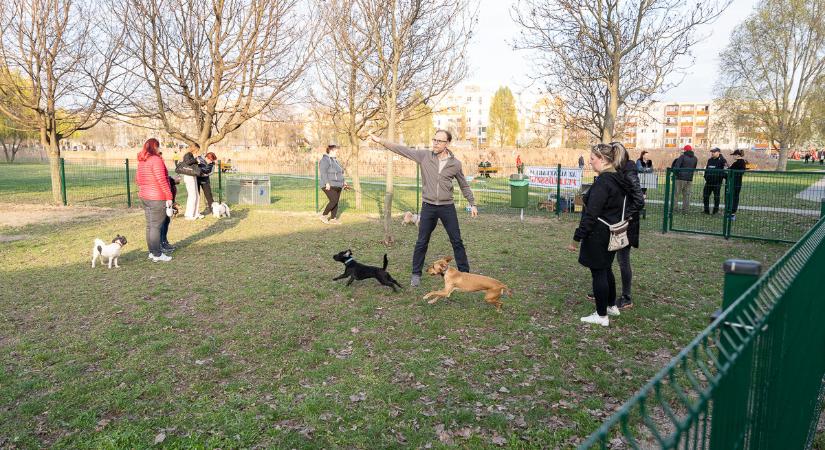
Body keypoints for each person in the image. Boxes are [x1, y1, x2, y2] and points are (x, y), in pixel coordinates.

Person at [370, 129, 477, 287]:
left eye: (439, 141)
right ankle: (416, 274)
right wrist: (381, 141)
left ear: (447, 144)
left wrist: (472, 202)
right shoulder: (424, 156)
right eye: (434, 139)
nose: (435, 143)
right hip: (429, 206)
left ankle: (465, 274)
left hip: (447, 207)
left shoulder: (455, 164)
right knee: (422, 241)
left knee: (457, 241)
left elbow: (463, 184)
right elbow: (403, 150)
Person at [567, 143, 631, 326]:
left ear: (603, 160)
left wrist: (577, 238)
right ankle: (611, 305)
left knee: (598, 272)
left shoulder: (604, 182)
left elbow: (591, 213)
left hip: (599, 233)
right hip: (612, 230)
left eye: (593, 159)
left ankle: (601, 315)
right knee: (606, 268)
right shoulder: (618, 178)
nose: (590, 162)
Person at [616, 143, 645, 310]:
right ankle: (603, 288)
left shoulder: (628, 171)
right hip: (618, 221)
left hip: (627, 223)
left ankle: (626, 297)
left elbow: (639, 200)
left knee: (623, 259)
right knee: (609, 255)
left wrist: (625, 215)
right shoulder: (621, 171)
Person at [136, 138, 173, 262]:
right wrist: (169, 197)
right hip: (156, 197)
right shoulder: (156, 160)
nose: (159, 149)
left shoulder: (142, 161)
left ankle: (152, 252)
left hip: (145, 196)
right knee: (155, 227)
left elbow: (138, 179)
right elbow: (162, 180)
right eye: (158, 146)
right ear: (155, 147)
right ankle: (157, 254)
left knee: (150, 226)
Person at [319, 143, 347, 224]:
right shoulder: (325, 160)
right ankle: (323, 216)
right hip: (328, 185)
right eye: (336, 151)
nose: (337, 153)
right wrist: (327, 183)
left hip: (338, 185)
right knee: (333, 200)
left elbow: (340, 173)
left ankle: (333, 219)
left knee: (336, 202)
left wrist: (344, 182)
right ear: (331, 150)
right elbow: (323, 172)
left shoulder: (335, 161)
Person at [671, 144, 698, 213]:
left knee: (676, 194)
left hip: (680, 178)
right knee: (686, 195)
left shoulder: (682, 157)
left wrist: (675, 175)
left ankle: (674, 208)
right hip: (689, 179)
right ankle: (685, 210)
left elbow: (677, 167)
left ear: (685, 150)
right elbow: (694, 168)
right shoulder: (695, 158)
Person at [181, 143, 204, 220]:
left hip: (193, 176)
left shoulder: (191, 155)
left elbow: (192, 163)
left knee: (197, 195)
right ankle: (189, 215)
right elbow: (188, 162)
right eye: (197, 149)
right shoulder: (188, 154)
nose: (198, 151)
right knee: (192, 195)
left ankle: (196, 212)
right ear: (194, 148)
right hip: (188, 176)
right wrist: (196, 160)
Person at [702, 147, 727, 215]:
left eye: (714, 152)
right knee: (705, 195)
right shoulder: (710, 160)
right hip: (708, 182)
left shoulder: (722, 160)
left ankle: (715, 211)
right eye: (712, 152)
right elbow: (707, 169)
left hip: (717, 182)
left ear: (718, 152)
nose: (712, 153)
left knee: (716, 197)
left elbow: (726, 170)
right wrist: (706, 177)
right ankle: (706, 210)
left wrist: (720, 176)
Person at [159, 175, 180, 253]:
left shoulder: (171, 184)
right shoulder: (156, 165)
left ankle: (164, 241)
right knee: (162, 222)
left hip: (167, 201)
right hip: (161, 200)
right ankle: (161, 243)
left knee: (166, 221)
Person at [729, 149, 748, 221]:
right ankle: (731, 212)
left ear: (737, 155)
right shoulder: (740, 162)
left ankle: (732, 213)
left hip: (736, 182)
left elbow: (732, 170)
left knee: (734, 197)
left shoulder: (739, 163)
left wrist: (729, 169)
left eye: (734, 155)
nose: (733, 156)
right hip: (736, 182)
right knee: (734, 197)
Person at [197, 151, 217, 216]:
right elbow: (194, 168)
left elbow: (212, 171)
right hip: (197, 179)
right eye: (210, 160)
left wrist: (207, 174)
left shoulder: (212, 163)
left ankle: (213, 210)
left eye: (212, 161)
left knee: (209, 196)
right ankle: (196, 212)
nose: (211, 162)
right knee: (196, 196)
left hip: (205, 180)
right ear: (207, 158)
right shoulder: (198, 159)